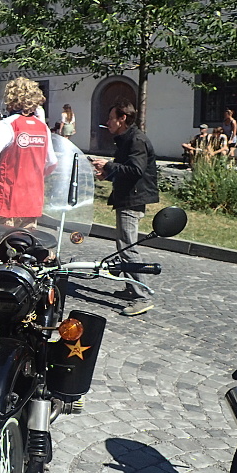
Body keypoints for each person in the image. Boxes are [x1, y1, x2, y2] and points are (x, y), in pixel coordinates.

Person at [91, 99, 159, 317]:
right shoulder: (126, 139)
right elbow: (125, 170)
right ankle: (131, 288)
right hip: (127, 196)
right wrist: (108, 173)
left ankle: (143, 296)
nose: (107, 122)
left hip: (133, 199)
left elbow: (135, 170)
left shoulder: (136, 140)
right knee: (123, 245)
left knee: (129, 248)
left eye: (111, 118)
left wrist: (108, 165)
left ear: (122, 119)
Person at [0, 77, 57, 229]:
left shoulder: (6, 124)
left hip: (6, 198)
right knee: (27, 243)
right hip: (32, 199)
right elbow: (52, 163)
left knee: (2, 244)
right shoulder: (42, 127)